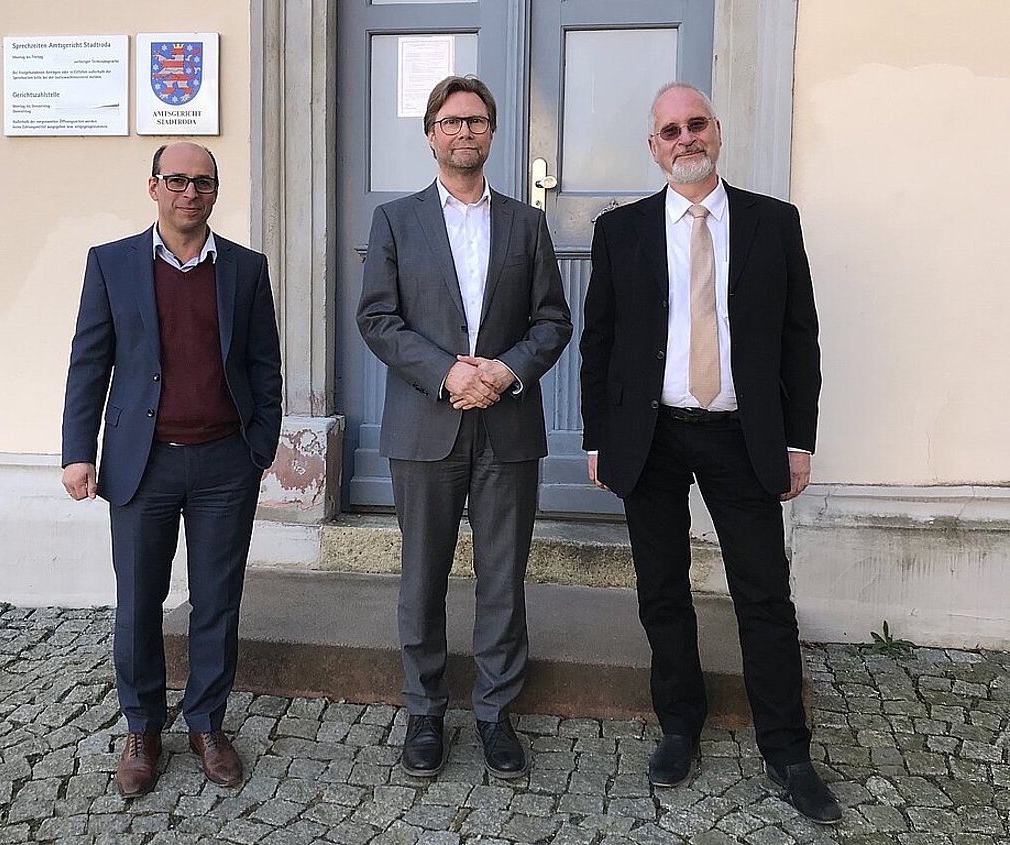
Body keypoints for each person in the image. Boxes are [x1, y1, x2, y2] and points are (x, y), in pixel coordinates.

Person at [579, 82, 841, 824]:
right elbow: (599, 343)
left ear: (717, 133)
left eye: (696, 125)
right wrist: (599, 435)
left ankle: (787, 747)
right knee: (662, 589)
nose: (685, 138)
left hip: (741, 432)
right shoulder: (620, 231)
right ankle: (679, 723)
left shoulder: (772, 222)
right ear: (653, 147)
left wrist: (798, 439)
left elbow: (800, 338)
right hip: (651, 434)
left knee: (763, 593)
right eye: (670, 130)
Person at [357, 76, 572, 779]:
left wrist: (505, 371)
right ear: (430, 135)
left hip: (507, 426)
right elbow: (378, 318)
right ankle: (424, 710)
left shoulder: (526, 224)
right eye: (450, 122)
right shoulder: (396, 221)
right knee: (421, 576)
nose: (464, 132)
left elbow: (552, 321)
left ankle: (495, 711)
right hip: (425, 425)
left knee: (502, 578)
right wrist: (448, 373)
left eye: (476, 121)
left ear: (492, 132)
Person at [61, 142, 283, 797]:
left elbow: (265, 364)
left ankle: (208, 724)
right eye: (178, 180)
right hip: (142, 464)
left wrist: (261, 445)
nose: (191, 192)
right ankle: (143, 728)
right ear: (153, 186)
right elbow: (88, 363)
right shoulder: (111, 264)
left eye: (204, 182)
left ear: (216, 192)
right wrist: (79, 449)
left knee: (217, 602)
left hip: (224, 463)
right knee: (138, 605)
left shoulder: (245, 268)